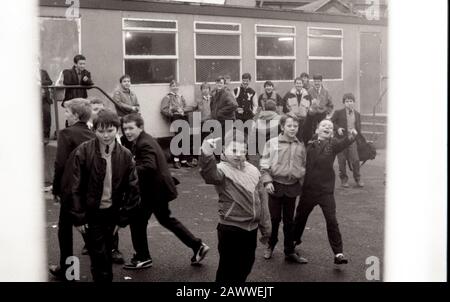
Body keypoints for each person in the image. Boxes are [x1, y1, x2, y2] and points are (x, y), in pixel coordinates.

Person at [120, 113, 209, 269]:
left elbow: (149, 166)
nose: (127, 132)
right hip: (157, 189)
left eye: (131, 128)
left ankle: (143, 257)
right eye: (125, 128)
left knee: (137, 221)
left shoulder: (143, 143)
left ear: (140, 127)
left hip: (154, 191)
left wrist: (128, 171)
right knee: (165, 219)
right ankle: (197, 245)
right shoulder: (143, 140)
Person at [67, 109, 140, 282]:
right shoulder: (83, 151)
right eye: (101, 131)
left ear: (117, 130)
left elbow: (133, 189)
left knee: (105, 254)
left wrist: (122, 219)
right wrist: (78, 217)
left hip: (113, 213)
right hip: (92, 214)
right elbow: (74, 187)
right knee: (100, 258)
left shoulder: (125, 155)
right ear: (94, 130)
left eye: (110, 131)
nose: (105, 135)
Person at [199, 129, 271, 282]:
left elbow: (262, 200)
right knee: (228, 269)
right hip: (230, 228)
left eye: (242, 150)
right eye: (233, 150)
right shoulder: (221, 169)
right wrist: (206, 154)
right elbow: (209, 175)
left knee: (246, 264)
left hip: (251, 228)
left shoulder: (253, 170)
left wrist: (266, 226)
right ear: (224, 149)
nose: (238, 154)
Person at [293, 119, 358, 265]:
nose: (327, 128)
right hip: (309, 189)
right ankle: (293, 242)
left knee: (331, 220)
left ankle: (338, 253)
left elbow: (343, 143)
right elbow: (304, 129)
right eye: (323, 126)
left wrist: (351, 136)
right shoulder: (309, 143)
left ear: (332, 132)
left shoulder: (332, 143)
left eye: (329, 127)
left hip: (325, 191)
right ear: (317, 129)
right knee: (300, 217)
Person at [49, 98, 95, 280]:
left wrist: (56, 188)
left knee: (65, 229)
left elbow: (60, 163)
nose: (65, 114)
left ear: (76, 115)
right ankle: (101, 263)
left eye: (67, 111)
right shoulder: (92, 134)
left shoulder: (66, 134)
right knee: (86, 225)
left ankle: (68, 271)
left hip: (71, 190)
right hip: (89, 188)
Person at [260, 114, 308, 264]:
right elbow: (264, 165)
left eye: (295, 126)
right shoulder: (271, 143)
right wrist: (267, 181)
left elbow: (304, 165)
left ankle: (289, 251)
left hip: (292, 187)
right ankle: (270, 244)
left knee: (289, 221)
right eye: (289, 126)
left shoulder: (300, 145)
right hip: (275, 185)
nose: (293, 128)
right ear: (282, 127)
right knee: (274, 219)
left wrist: (302, 181)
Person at [331, 93, 364, 188]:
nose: (349, 103)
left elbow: (358, 128)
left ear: (354, 102)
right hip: (340, 141)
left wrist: (356, 132)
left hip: (352, 140)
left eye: (351, 101)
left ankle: (358, 178)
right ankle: (344, 180)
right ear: (344, 103)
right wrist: (337, 128)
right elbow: (331, 122)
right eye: (346, 101)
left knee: (356, 160)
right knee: (342, 161)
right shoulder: (338, 112)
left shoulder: (357, 114)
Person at [160, 80, 194, 168]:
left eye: (176, 86)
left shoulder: (181, 96)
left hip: (183, 117)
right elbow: (164, 110)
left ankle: (184, 160)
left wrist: (183, 110)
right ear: (170, 87)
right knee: (178, 138)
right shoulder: (167, 97)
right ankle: (176, 160)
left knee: (185, 138)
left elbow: (186, 106)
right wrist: (173, 112)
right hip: (176, 118)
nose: (175, 87)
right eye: (173, 86)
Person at [303, 74, 334, 143]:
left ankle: (323, 143)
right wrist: (309, 110)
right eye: (315, 81)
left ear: (321, 82)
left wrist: (327, 113)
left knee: (323, 130)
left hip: (322, 114)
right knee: (312, 131)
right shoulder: (309, 91)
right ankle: (313, 144)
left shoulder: (326, 91)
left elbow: (330, 105)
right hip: (312, 115)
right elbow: (305, 103)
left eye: (318, 81)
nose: (317, 83)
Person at [210, 76, 238, 143]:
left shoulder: (226, 93)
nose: (219, 84)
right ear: (215, 83)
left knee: (225, 140)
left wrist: (220, 112)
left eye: (221, 83)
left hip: (227, 121)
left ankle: (226, 152)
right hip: (219, 120)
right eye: (217, 82)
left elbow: (234, 105)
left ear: (224, 84)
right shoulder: (215, 94)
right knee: (219, 139)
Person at [282, 77, 311, 141]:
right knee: (292, 137)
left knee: (302, 138)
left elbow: (310, 107)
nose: (298, 85)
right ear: (294, 84)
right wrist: (291, 114)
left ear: (302, 84)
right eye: (297, 83)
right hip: (292, 120)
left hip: (303, 121)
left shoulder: (307, 95)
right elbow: (284, 107)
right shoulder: (289, 94)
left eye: (300, 83)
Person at [40, 68, 53, 142]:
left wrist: (40, 82)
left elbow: (50, 82)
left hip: (45, 99)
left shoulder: (43, 72)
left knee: (47, 116)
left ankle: (46, 136)